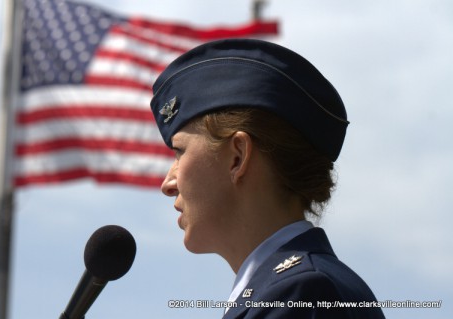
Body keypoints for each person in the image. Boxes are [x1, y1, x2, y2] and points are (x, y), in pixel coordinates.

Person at [150, 39, 385, 319]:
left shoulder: (303, 293)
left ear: (237, 157)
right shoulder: (290, 289)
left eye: (180, 152)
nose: (168, 184)